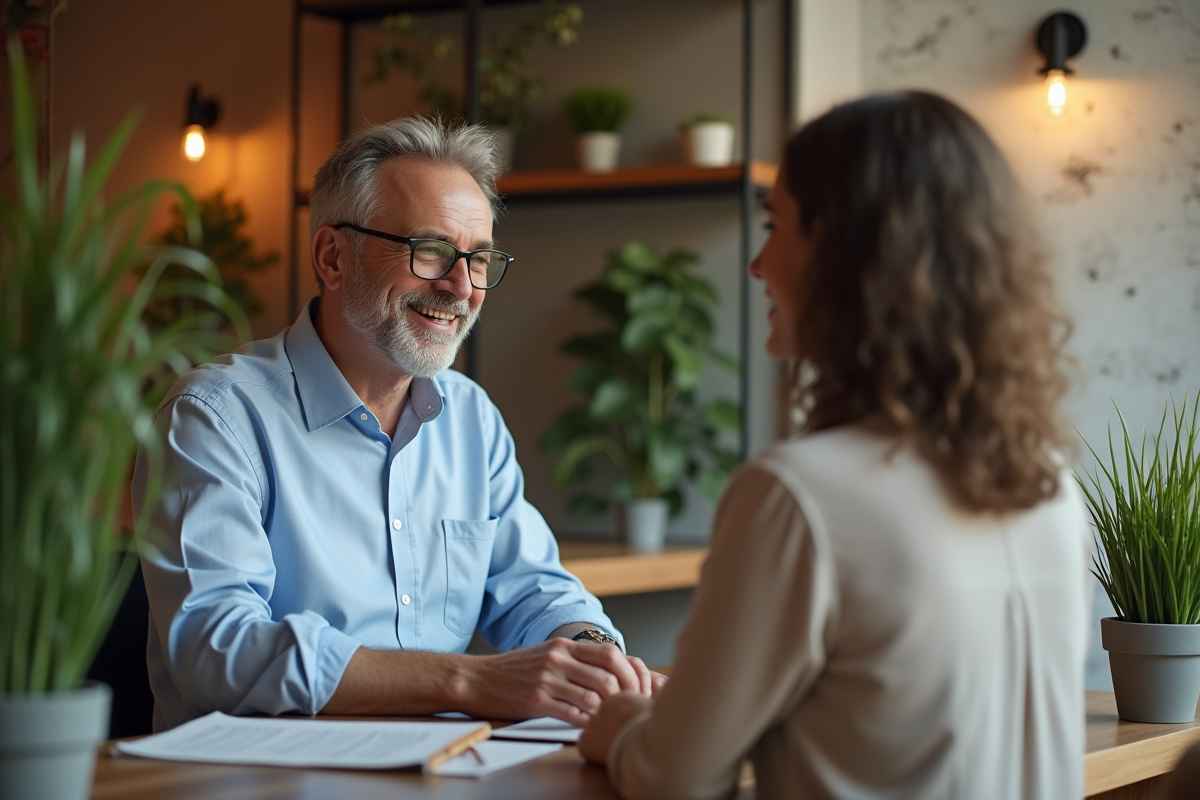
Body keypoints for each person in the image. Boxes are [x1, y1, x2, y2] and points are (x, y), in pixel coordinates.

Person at [578, 91, 1090, 799]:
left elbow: (676, 778)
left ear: (847, 251)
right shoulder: (1052, 485)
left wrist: (621, 728)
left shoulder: (799, 495)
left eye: (775, 225)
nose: (758, 264)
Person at [134, 116, 663, 733]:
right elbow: (218, 650)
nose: (462, 286)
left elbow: (534, 589)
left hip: (442, 770)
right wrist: (470, 681)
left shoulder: (471, 419)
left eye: (480, 258)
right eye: (431, 250)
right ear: (333, 257)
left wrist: (597, 655)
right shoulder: (215, 417)